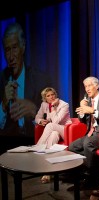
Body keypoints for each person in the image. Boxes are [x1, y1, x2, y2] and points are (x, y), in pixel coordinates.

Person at [0, 22, 50, 153]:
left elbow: (53, 118)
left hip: (34, 143)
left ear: (23, 46)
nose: (11, 56)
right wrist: (3, 104)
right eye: (7, 50)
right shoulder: (1, 79)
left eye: (15, 48)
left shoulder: (41, 79)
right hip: (6, 147)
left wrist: (35, 112)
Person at [69, 76, 99, 187]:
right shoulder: (87, 101)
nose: (87, 89)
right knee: (72, 147)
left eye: (89, 85)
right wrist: (82, 110)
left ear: (97, 86)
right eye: (85, 86)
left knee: (87, 143)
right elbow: (83, 121)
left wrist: (92, 111)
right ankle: (90, 169)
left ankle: (90, 177)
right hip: (90, 132)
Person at [35, 87, 72, 183]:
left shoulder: (64, 105)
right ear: (45, 98)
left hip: (66, 131)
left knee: (51, 125)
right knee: (54, 134)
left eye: (53, 94)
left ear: (56, 95)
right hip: (55, 131)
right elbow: (37, 117)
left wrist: (53, 108)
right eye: (48, 96)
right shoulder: (44, 105)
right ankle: (48, 172)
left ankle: (37, 148)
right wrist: (40, 121)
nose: (51, 97)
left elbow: (55, 121)